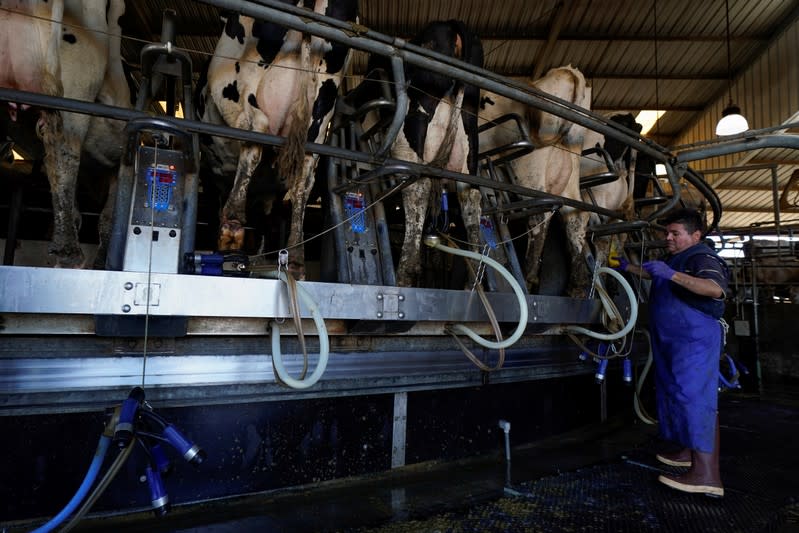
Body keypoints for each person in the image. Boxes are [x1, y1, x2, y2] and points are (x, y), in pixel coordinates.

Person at [615, 208, 729, 497]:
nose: (668, 238)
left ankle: (707, 475)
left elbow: (714, 288)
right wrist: (628, 268)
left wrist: (673, 274)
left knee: (695, 399)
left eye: (675, 233)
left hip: (693, 340)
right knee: (678, 395)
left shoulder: (701, 257)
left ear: (695, 235)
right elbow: (657, 273)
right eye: (667, 233)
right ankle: (689, 452)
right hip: (674, 341)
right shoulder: (676, 258)